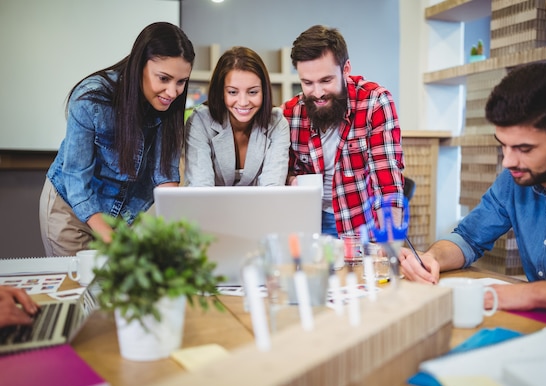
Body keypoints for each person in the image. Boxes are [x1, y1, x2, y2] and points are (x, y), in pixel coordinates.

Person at [400, 62, 546, 318]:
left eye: (524, 149)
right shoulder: (514, 178)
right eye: (503, 146)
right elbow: (469, 238)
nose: (508, 161)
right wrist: (433, 258)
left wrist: (535, 293)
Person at [40, 22, 194, 256]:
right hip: (71, 210)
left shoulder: (170, 109)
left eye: (181, 82)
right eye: (163, 78)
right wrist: (112, 241)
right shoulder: (91, 99)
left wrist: (169, 235)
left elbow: (165, 178)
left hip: (120, 219)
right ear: (139, 65)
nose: (172, 92)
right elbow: (75, 179)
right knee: (81, 290)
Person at [283, 25, 405, 238]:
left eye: (326, 80)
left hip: (361, 225)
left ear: (346, 68)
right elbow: (281, 173)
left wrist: (390, 241)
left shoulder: (375, 102)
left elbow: (387, 182)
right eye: (307, 83)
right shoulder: (292, 113)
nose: (318, 93)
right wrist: (291, 180)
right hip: (308, 223)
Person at [185, 46, 289, 186]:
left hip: (261, 207)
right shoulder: (200, 121)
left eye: (252, 92)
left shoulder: (277, 123)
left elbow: (272, 188)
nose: (243, 102)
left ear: (264, 92)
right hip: (209, 207)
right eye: (233, 92)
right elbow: (201, 188)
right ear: (221, 92)